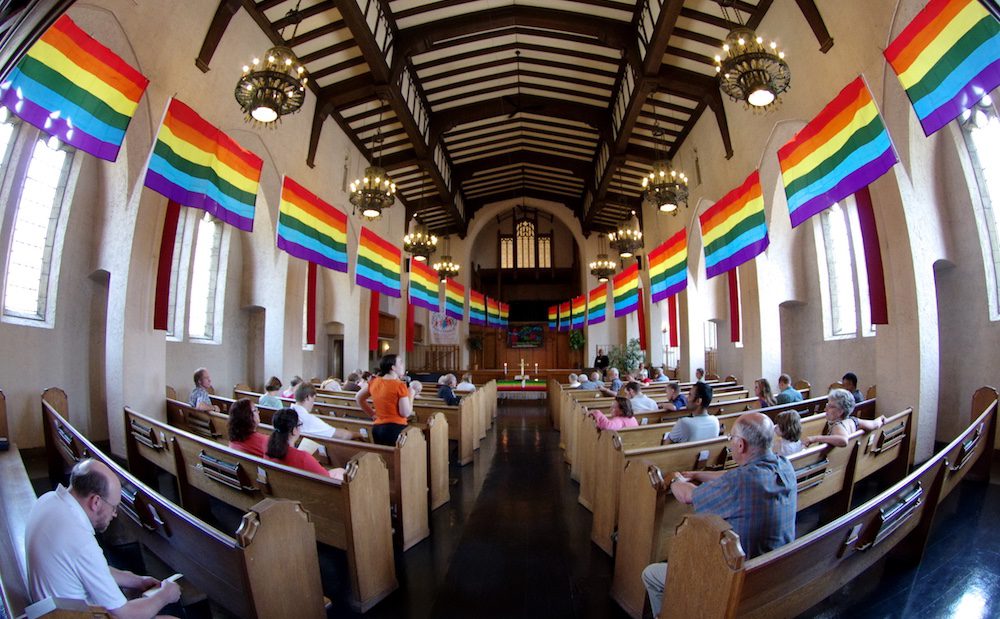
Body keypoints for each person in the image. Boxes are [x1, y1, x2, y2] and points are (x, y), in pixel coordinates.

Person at [642, 413, 797, 617]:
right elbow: (732, 477)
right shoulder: (785, 465)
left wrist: (674, 480)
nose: (730, 442)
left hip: (738, 581)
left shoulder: (740, 483)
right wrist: (698, 475)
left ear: (740, 445)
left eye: (731, 438)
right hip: (774, 570)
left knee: (651, 574)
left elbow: (687, 496)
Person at [25, 459, 182, 617]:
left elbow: (85, 567)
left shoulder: (48, 500)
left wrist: (135, 580)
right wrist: (165, 596)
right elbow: (126, 614)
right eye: (114, 507)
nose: (114, 514)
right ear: (96, 502)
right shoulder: (80, 540)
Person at [357, 354, 417, 446]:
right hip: (396, 428)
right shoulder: (399, 385)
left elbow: (358, 398)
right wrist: (411, 395)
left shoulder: (374, 382)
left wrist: (372, 415)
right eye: (400, 362)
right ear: (393, 367)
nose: (403, 365)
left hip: (378, 428)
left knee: (383, 458)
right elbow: (405, 413)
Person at [265, 409, 344, 479]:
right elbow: (326, 478)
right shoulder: (303, 457)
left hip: (286, 487)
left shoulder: (268, 450)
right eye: (299, 425)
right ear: (294, 430)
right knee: (341, 472)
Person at [804, 389, 887, 448]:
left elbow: (843, 440)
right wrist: (880, 420)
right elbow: (873, 424)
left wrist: (815, 438)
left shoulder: (838, 426)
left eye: (830, 407)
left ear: (840, 411)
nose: (826, 409)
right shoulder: (853, 421)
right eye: (827, 405)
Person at [292, 383, 357, 444]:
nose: (313, 403)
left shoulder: (285, 413)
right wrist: (357, 434)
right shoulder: (309, 419)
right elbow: (340, 435)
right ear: (308, 397)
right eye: (313, 399)